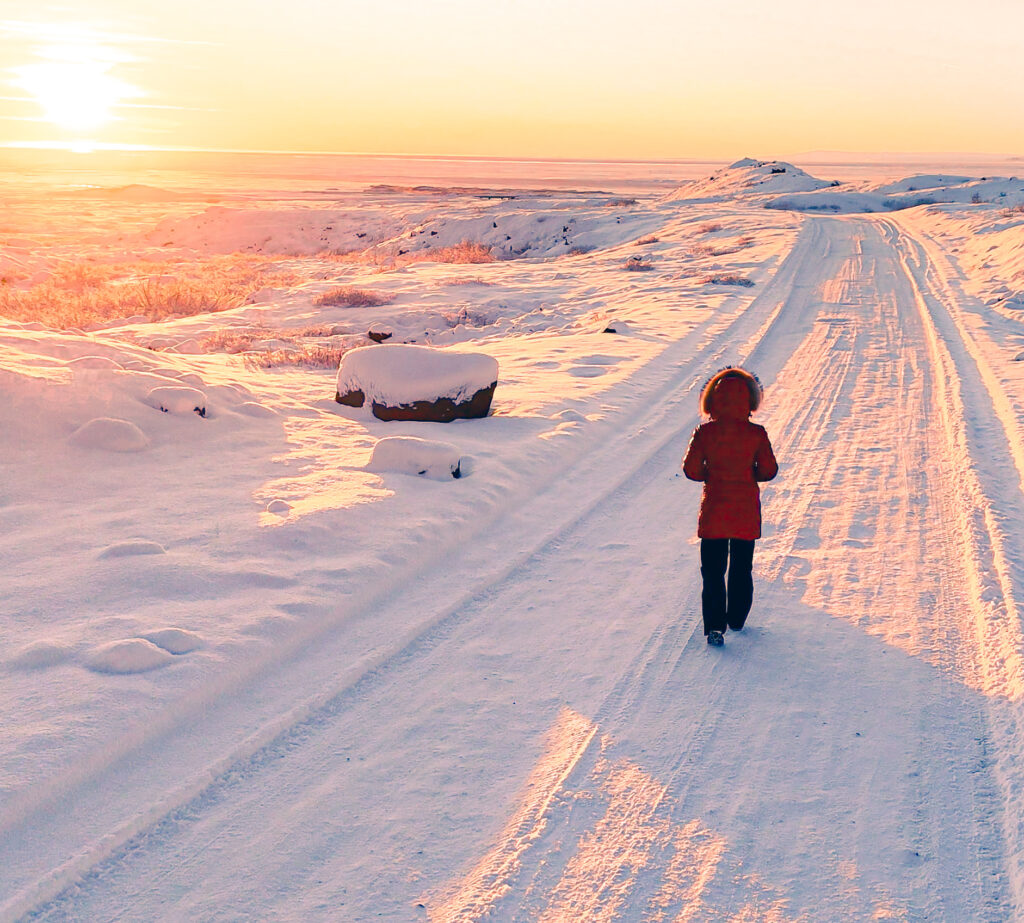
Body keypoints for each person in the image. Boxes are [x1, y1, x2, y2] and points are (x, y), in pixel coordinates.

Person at [682, 368, 778, 646]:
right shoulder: (756, 434)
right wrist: (750, 475)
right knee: (741, 566)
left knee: (712, 571)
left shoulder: (704, 432)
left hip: (713, 510)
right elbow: (769, 470)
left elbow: (690, 470)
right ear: (750, 401)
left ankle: (714, 626)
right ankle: (736, 618)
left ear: (712, 400)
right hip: (745, 510)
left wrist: (711, 476)